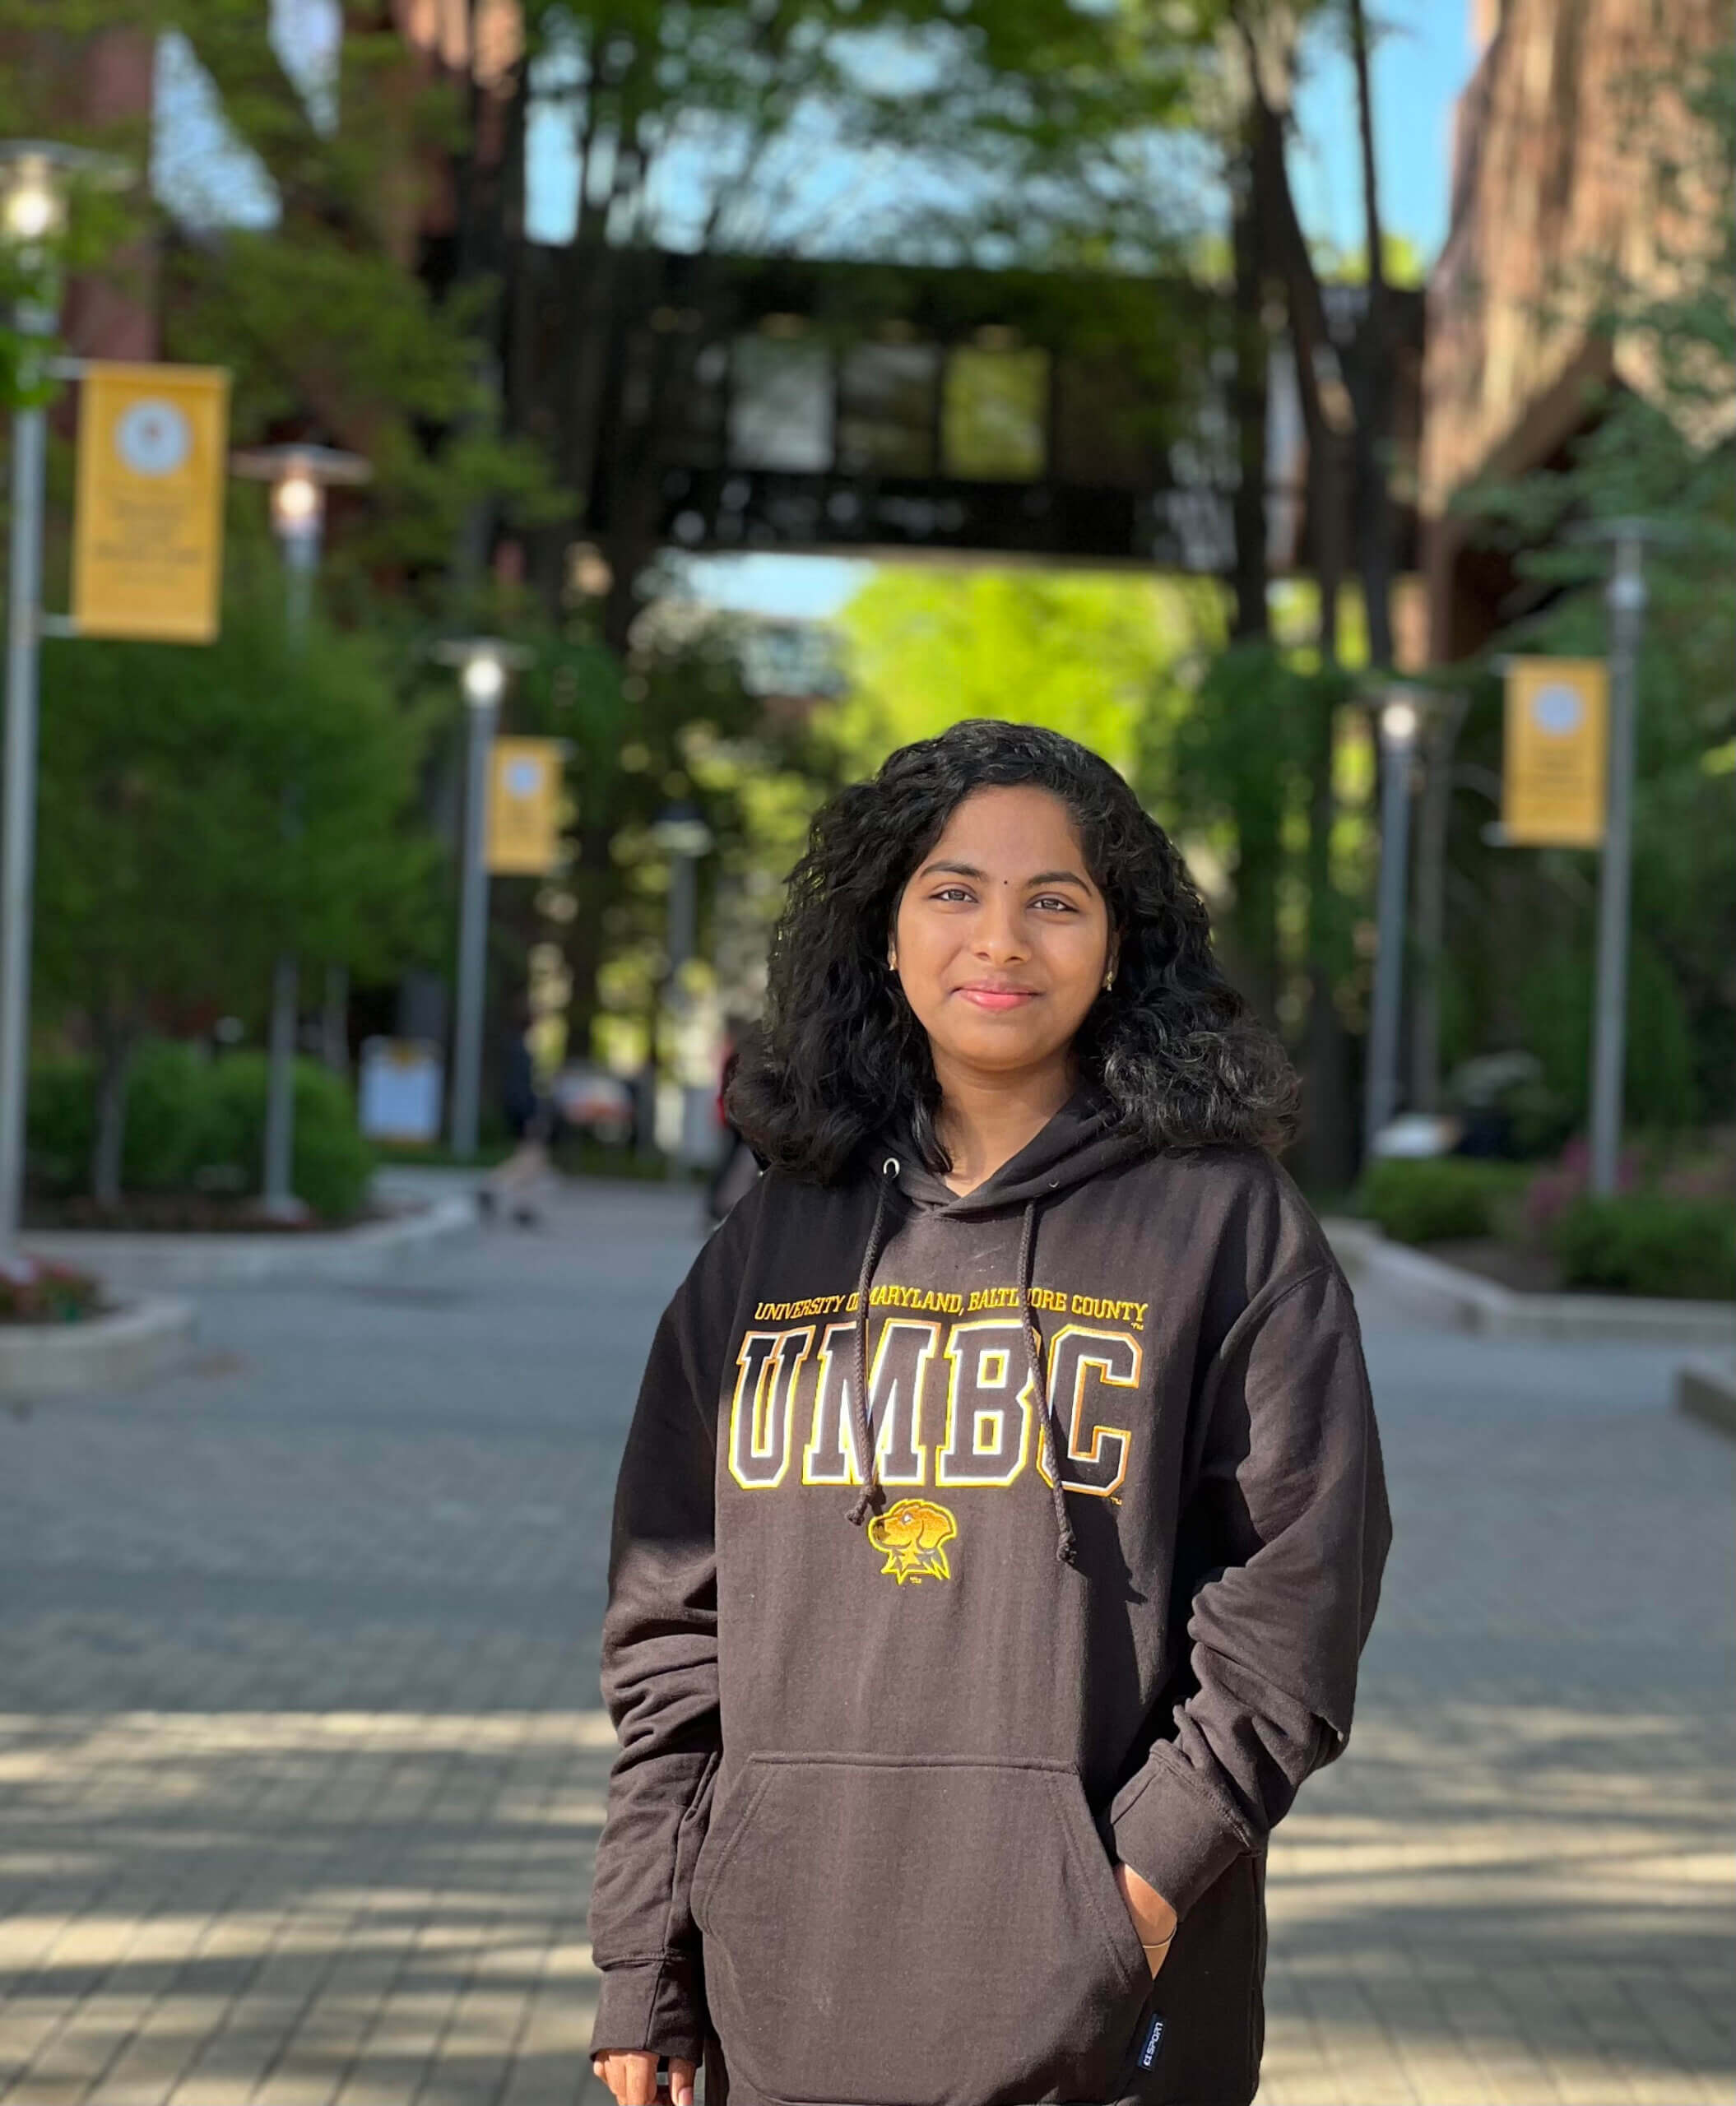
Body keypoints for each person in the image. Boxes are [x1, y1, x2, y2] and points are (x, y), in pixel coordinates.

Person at [587, 721, 1391, 2106]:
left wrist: (1130, 1898)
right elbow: (672, 1628)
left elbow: (1294, 1603)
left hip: (1103, 2018)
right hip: (781, 2001)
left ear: (1118, 943)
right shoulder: (771, 1239)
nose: (999, 940)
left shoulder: (1223, 1227)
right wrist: (645, 1958)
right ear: (884, 932)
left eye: (1053, 901)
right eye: (951, 891)